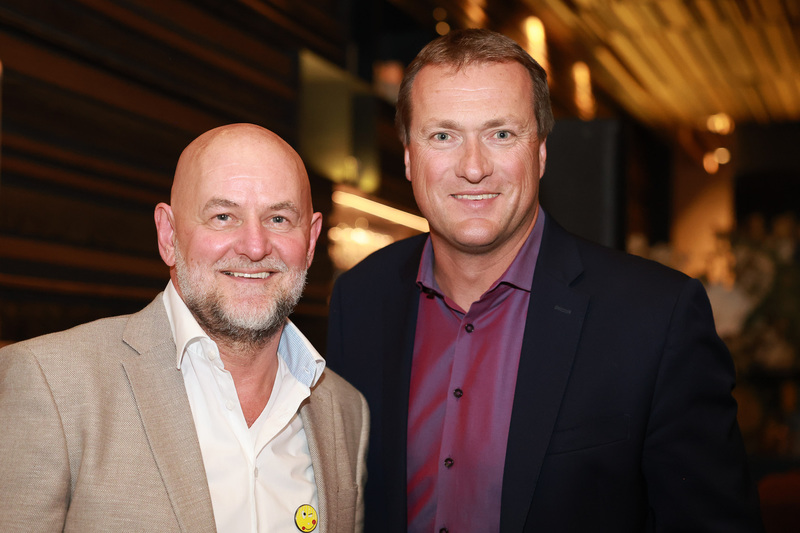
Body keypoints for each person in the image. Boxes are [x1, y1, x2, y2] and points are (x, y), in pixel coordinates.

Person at [326, 29, 762, 532]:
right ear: (408, 156)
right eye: (443, 136)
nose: (473, 168)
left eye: (501, 134)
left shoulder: (656, 318)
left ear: (540, 153)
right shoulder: (360, 300)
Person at [0, 124, 368, 533]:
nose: (254, 246)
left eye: (278, 218)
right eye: (223, 216)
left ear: (311, 241)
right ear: (169, 235)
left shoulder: (346, 411)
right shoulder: (51, 385)